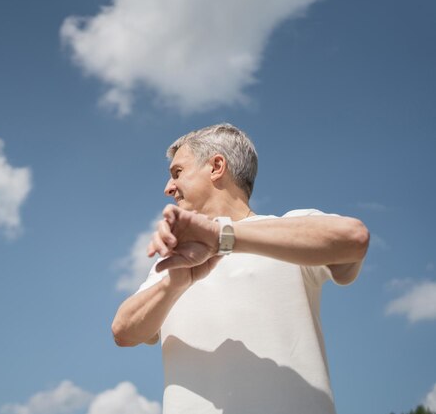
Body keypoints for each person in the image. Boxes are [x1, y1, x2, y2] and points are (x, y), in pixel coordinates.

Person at [111, 123, 369, 414]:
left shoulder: (289, 229)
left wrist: (223, 237)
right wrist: (175, 283)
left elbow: (354, 238)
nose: (168, 187)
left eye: (177, 172)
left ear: (216, 166)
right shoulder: (171, 264)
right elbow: (123, 332)